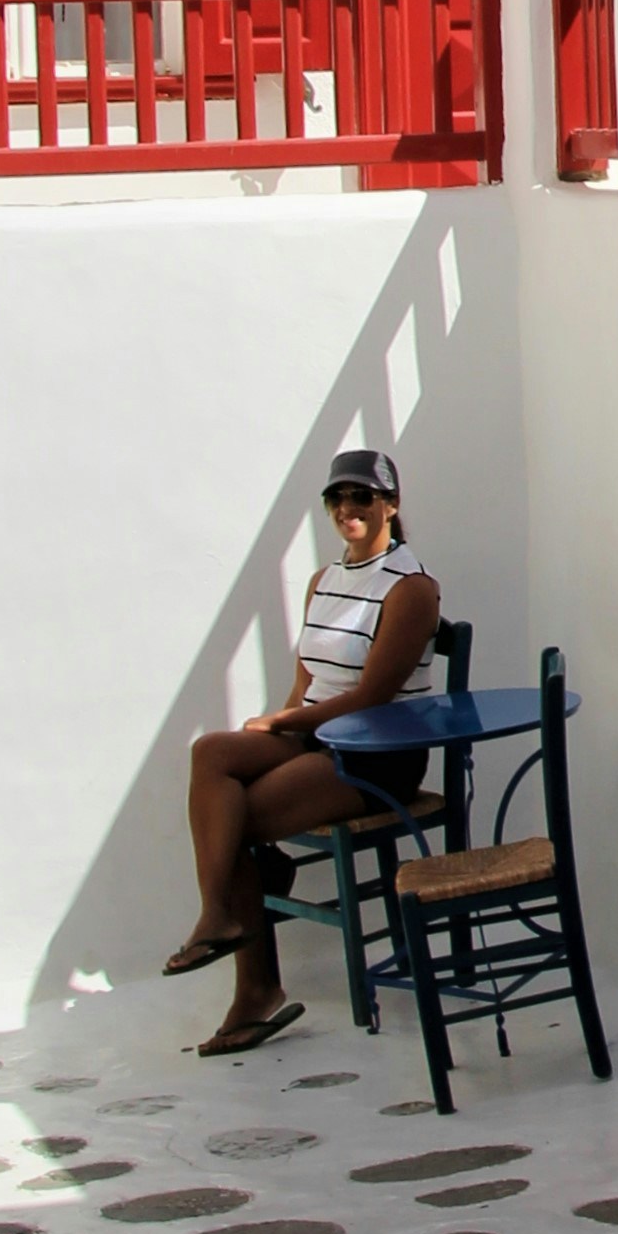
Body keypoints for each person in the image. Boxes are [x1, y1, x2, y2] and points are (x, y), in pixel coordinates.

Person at [166, 448, 443, 1055]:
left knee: (233, 821)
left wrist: (284, 723)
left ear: (391, 506)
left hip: (378, 754)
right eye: (338, 499)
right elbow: (308, 679)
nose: (348, 509)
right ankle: (221, 912)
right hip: (318, 736)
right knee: (213, 753)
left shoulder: (412, 589)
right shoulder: (325, 580)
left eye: (362, 498)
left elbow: (373, 695)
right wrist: (282, 730)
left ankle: (254, 989)